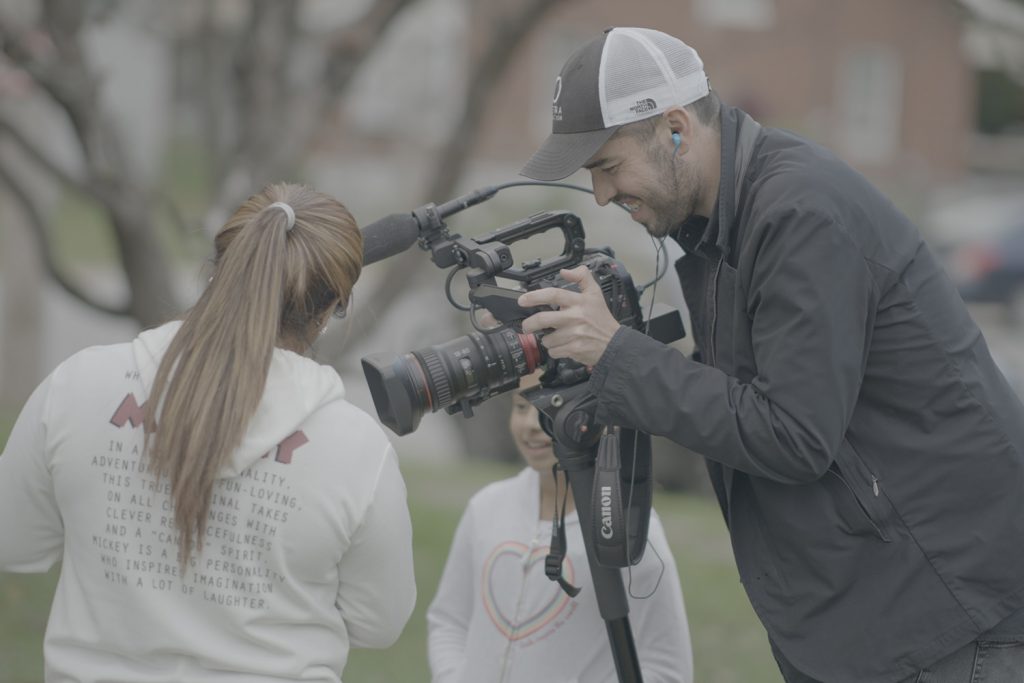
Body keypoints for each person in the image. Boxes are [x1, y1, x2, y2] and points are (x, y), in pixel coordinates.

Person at [515, 26, 1024, 683]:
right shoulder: (719, 222)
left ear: (675, 129)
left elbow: (793, 433)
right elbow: (747, 397)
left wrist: (619, 355)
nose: (604, 194)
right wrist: (616, 356)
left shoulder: (800, 214)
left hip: (943, 611)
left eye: (607, 165)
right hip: (874, 615)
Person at [0, 183, 416, 682]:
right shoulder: (356, 449)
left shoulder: (79, 384)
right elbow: (379, 622)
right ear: (332, 308)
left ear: (219, 270)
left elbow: (14, 542)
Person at [426, 370, 694, 683]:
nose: (529, 425)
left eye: (547, 409)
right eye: (521, 406)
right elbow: (449, 620)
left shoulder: (629, 533)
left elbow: (666, 668)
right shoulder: (485, 508)